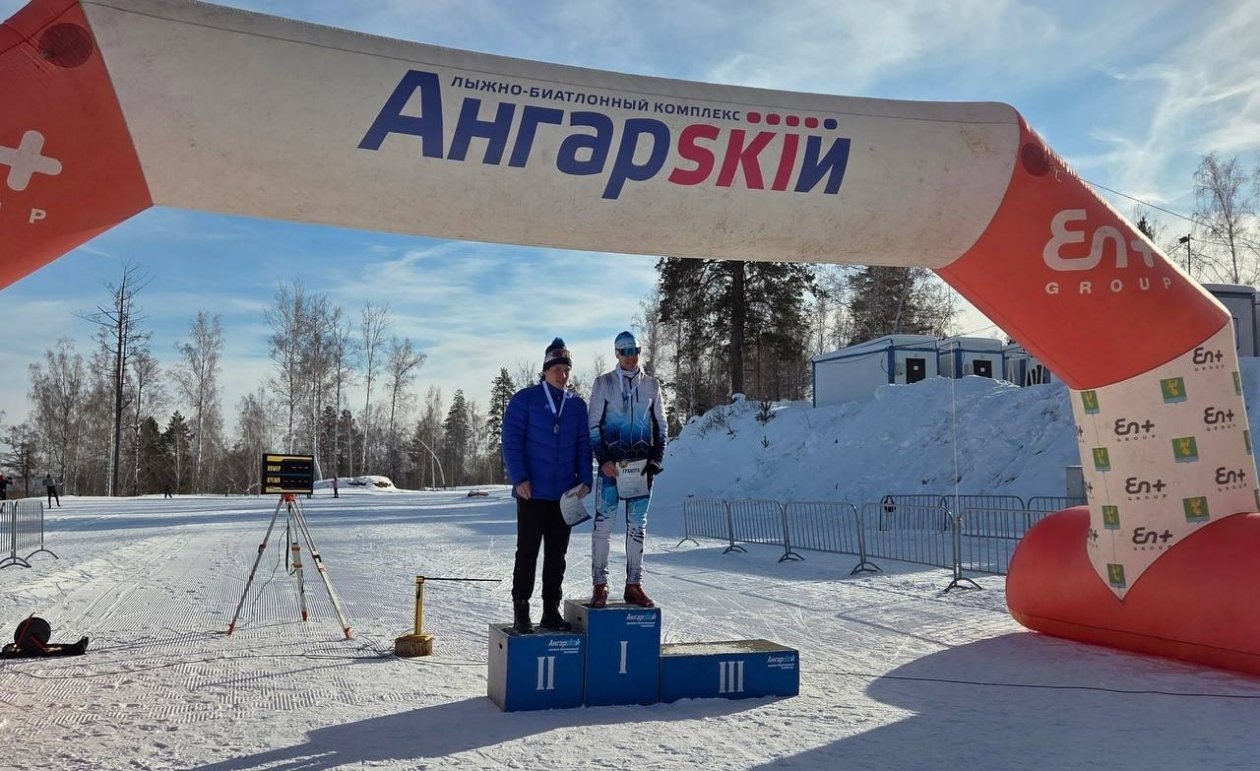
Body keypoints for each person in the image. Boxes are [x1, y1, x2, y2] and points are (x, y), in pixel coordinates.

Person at [501, 337, 593, 634]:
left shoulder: (576, 405)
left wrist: (586, 480)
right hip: (532, 492)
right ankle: (521, 611)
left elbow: (583, 445)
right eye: (557, 369)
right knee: (527, 553)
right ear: (545, 370)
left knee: (557, 555)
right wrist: (519, 478)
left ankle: (551, 611)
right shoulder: (525, 399)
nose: (562, 375)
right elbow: (511, 441)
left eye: (566, 370)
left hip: (565, 495)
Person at [588, 331, 666, 609]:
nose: (631, 356)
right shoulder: (604, 383)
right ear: (617, 354)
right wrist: (603, 459)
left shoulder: (652, 385)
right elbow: (593, 425)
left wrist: (656, 459)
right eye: (625, 351)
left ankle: (634, 584)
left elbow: (661, 425)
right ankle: (600, 584)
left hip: (641, 468)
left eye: (635, 351)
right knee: (603, 525)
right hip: (612, 468)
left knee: (637, 527)